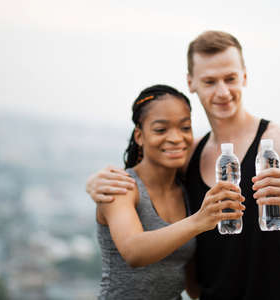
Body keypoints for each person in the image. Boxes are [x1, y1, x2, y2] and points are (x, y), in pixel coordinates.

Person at [87, 31, 280, 300]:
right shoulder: (190, 154)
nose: (222, 92)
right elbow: (143, 177)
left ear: (244, 76)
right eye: (209, 81)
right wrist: (93, 183)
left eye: (230, 78)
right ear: (191, 82)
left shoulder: (278, 140)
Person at [95, 84, 245, 299]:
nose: (176, 138)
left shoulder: (186, 191)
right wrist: (198, 221)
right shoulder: (120, 187)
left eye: (185, 128)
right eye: (161, 130)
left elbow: (193, 285)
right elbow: (133, 251)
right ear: (139, 136)